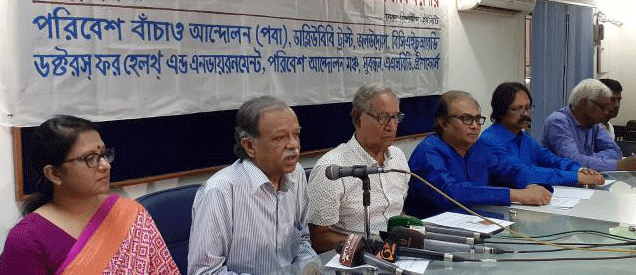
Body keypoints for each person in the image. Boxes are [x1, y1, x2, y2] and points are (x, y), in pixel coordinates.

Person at [0, 115, 179, 275]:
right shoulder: (27, 239)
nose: (105, 166)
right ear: (54, 174)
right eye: (90, 158)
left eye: (104, 154)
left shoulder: (130, 213)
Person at [188, 96, 320, 275]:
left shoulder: (296, 176)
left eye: (296, 135)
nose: (294, 146)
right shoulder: (219, 191)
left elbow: (302, 241)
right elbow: (204, 272)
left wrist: (309, 266)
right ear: (249, 146)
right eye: (280, 138)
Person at [405, 91, 552, 219]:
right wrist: (516, 195)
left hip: (477, 222)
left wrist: (530, 186)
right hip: (434, 232)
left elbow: (510, 171)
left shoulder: (477, 148)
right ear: (443, 123)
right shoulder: (428, 152)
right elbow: (452, 192)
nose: (475, 126)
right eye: (466, 119)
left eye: (478, 119)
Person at [307, 85, 410, 253]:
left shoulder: (397, 157)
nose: (391, 126)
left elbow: (398, 211)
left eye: (395, 117)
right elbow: (318, 237)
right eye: (382, 117)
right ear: (357, 117)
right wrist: (369, 245)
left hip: (396, 252)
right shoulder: (332, 168)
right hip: (354, 258)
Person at [480, 82, 604, 187]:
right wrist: (575, 177)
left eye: (528, 108)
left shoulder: (524, 138)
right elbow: (522, 173)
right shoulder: (490, 141)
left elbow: (550, 159)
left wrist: (580, 170)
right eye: (517, 109)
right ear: (501, 111)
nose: (525, 114)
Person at [542, 78, 636, 171]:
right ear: (584, 103)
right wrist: (618, 165)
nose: (607, 112)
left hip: (583, 181)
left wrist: (586, 159)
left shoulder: (593, 124)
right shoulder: (558, 122)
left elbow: (616, 152)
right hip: (556, 183)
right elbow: (573, 161)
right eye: (603, 107)